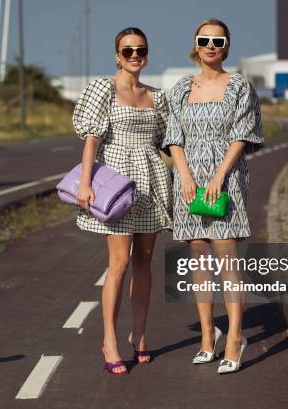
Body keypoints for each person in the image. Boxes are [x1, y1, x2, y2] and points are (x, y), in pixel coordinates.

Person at [162, 18, 264, 374]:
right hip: (188, 181)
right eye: (204, 40)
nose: (210, 45)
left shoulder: (239, 86)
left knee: (226, 257)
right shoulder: (179, 88)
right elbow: (173, 136)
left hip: (227, 178)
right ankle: (208, 336)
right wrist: (185, 175)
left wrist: (219, 176)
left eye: (218, 41)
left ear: (227, 46)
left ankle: (235, 337)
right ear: (195, 43)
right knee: (198, 257)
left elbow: (242, 134)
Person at [73, 27, 172, 375]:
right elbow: (91, 139)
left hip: (152, 182)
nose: (134, 55)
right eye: (127, 50)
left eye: (140, 50)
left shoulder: (157, 96)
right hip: (117, 183)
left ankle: (140, 335)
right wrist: (85, 184)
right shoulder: (104, 89)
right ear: (117, 55)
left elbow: (167, 141)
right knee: (119, 264)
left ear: (147, 53)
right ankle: (109, 340)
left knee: (145, 260)